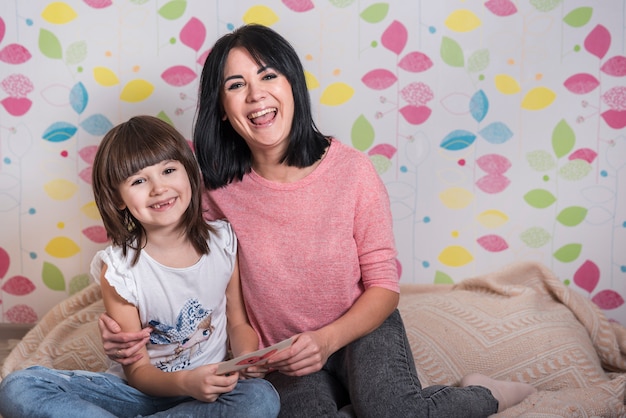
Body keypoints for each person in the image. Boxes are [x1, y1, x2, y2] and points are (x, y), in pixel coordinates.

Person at [98, 25, 537, 417]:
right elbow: (178, 261)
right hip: (281, 353)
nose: (256, 95)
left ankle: (484, 394)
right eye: (237, 85)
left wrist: (327, 340)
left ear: (293, 85)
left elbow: (384, 286)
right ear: (223, 107)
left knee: (392, 410)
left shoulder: (352, 171)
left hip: (362, 328)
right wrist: (129, 331)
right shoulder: (213, 189)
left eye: (269, 75)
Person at [0, 115, 280, 418]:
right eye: (138, 181)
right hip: (138, 393)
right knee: (19, 386)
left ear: (189, 174)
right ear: (118, 198)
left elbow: (238, 323)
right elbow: (138, 372)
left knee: (261, 397)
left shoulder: (223, 242)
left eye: (169, 170)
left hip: (207, 394)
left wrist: (248, 358)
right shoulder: (120, 270)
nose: (159, 188)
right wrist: (186, 381)